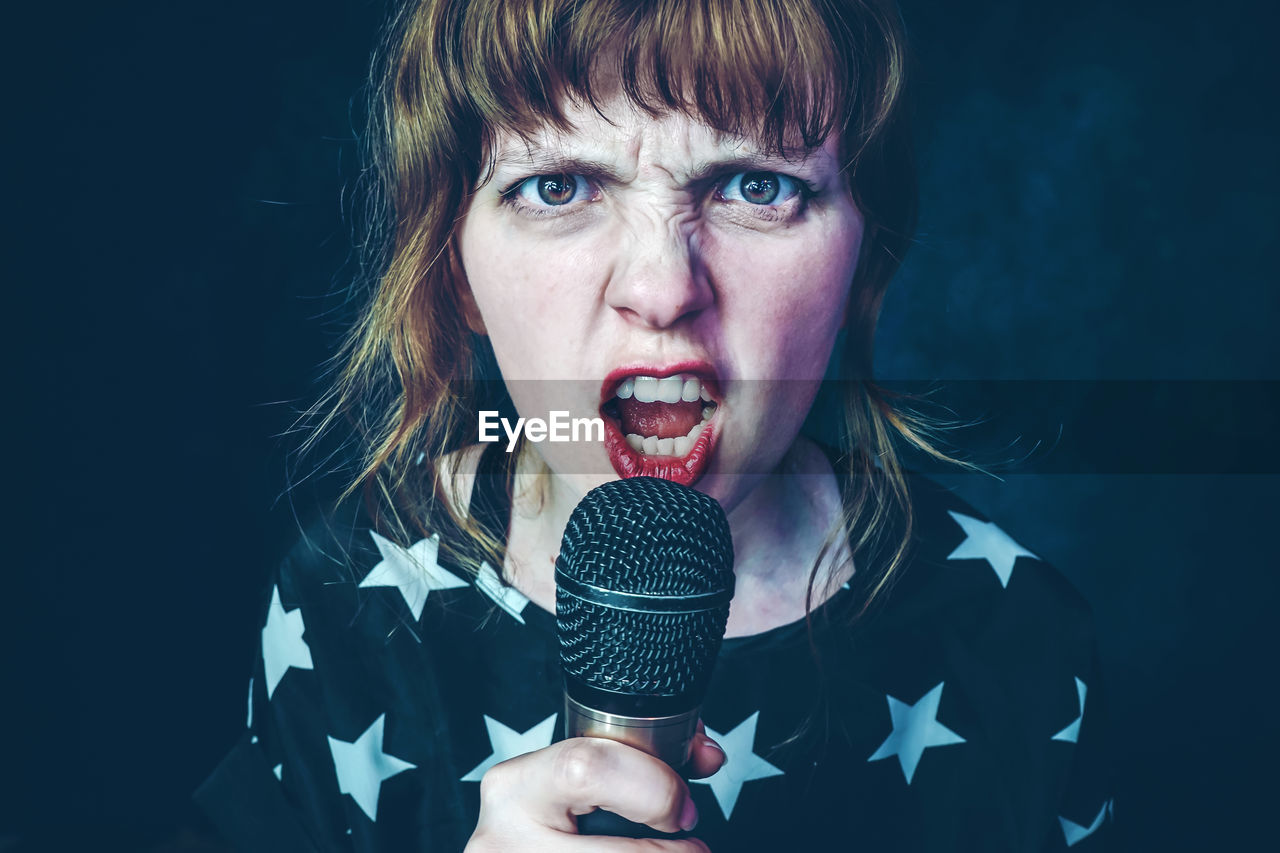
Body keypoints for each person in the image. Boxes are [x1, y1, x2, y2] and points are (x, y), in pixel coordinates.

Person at [197, 0, 1115, 850]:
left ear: (865, 256)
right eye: (557, 187)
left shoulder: (1015, 637)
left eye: (758, 186)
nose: (662, 288)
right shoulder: (346, 602)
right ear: (452, 269)